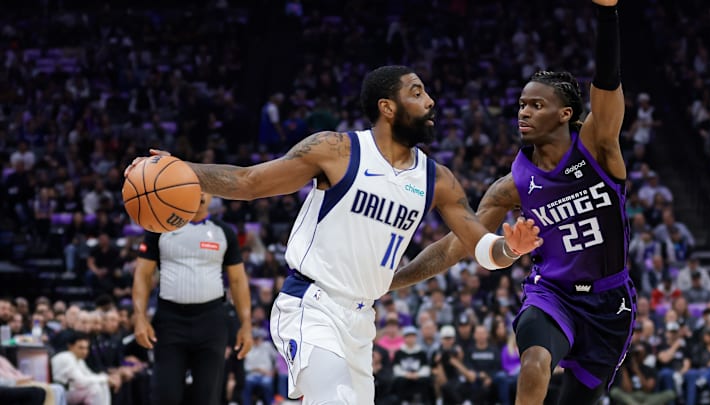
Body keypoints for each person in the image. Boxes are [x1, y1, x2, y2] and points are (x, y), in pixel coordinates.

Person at [125, 65, 542, 404]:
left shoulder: (439, 180)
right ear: (388, 107)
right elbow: (250, 182)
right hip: (311, 304)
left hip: (362, 321)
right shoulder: (337, 150)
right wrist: (186, 172)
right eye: (417, 92)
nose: (430, 100)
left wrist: (509, 247)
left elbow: (477, 247)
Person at [391, 1, 635, 403]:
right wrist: (394, 279)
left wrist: (607, 12)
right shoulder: (512, 186)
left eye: (536, 105)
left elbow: (608, 84)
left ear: (565, 114)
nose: (523, 112)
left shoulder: (599, 148)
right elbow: (458, 245)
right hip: (552, 293)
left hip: (610, 303)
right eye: (521, 104)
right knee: (535, 362)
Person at [132, 193, 253, 405]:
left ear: (212, 195)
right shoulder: (159, 227)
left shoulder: (224, 232)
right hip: (170, 320)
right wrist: (139, 317)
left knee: (207, 397)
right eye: (193, 189)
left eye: (204, 189)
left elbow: (238, 281)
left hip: (211, 321)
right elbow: (142, 275)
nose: (199, 195)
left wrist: (246, 325)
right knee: (165, 395)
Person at [51, 331, 120, 405]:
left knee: (102, 385)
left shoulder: (79, 359)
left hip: (72, 390)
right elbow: (81, 382)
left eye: (86, 348)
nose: (84, 352)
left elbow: (89, 375)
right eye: (81, 348)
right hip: (60, 393)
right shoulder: (66, 358)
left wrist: (107, 378)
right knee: (95, 388)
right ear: (70, 346)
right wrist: (105, 379)